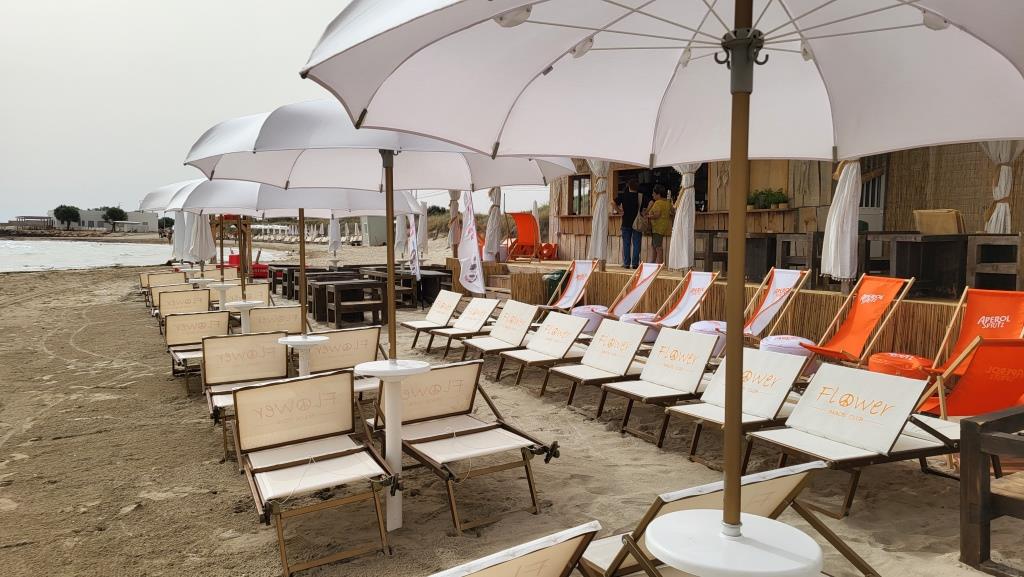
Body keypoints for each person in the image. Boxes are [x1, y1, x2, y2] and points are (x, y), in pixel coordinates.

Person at [615, 178, 645, 269]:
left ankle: (626, 263)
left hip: (626, 222)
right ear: (637, 187)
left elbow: (612, 203)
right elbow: (651, 202)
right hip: (637, 223)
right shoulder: (640, 196)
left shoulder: (624, 195)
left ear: (628, 186)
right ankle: (635, 264)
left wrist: (619, 211)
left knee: (626, 244)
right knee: (636, 244)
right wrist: (644, 212)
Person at [647, 184, 673, 264]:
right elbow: (673, 211)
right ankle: (652, 263)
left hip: (657, 228)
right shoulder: (668, 202)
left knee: (658, 247)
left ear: (658, 194)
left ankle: (659, 264)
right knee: (654, 246)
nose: (652, 195)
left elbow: (657, 215)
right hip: (663, 227)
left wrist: (648, 216)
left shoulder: (658, 203)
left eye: (654, 193)